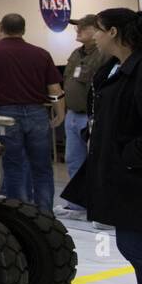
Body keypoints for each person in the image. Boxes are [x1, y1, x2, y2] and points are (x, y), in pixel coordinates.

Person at [61, 7, 142, 284]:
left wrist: (128, 158)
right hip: (121, 175)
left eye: (98, 29)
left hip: (137, 177)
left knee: (136, 245)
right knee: (136, 245)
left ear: (113, 32)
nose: (94, 35)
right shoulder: (115, 68)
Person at [0, 14, 64, 213]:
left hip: (7, 116)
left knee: (13, 166)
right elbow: (55, 89)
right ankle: (46, 215)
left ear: (0, 28)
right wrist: (59, 113)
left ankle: (22, 215)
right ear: (23, 30)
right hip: (38, 113)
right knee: (42, 167)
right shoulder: (41, 54)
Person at [57, 15, 105, 218]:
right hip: (73, 115)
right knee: (73, 160)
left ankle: (100, 206)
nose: (78, 30)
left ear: (97, 31)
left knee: (96, 163)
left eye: (84, 27)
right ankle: (78, 205)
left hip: (91, 116)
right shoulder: (76, 54)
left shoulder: (103, 55)